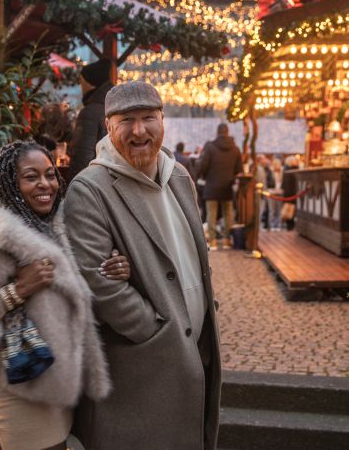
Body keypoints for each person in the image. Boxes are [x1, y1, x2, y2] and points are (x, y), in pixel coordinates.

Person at [0, 140, 130, 450]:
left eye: (50, 174)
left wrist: (113, 270)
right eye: (31, 177)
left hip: (58, 380)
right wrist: (15, 292)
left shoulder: (58, 227)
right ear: (9, 182)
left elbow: (74, 289)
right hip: (15, 384)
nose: (45, 184)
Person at [65, 81, 221, 450]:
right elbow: (98, 283)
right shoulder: (90, 189)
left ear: (162, 120)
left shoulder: (180, 177)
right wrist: (155, 331)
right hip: (139, 366)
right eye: (126, 120)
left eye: (148, 118)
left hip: (196, 351)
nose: (139, 131)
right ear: (108, 126)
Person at [196, 123, 243, 248]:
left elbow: (203, 166)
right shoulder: (235, 149)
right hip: (228, 187)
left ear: (217, 132)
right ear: (228, 132)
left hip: (211, 186)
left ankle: (213, 241)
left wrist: (205, 176)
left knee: (211, 214)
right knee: (228, 213)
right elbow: (239, 169)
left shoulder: (210, 147)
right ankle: (227, 240)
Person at [69, 59, 112, 179]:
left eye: (81, 81)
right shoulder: (115, 107)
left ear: (90, 83)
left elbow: (81, 157)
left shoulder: (89, 113)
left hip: (92, 181)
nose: (81, 86)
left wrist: (73, 185)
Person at [281, 155, 300, 231]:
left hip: (292, 194)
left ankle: (291, 227)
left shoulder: (289, 170)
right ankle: (290, 227)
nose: (296, 161)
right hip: (291, 195)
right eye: (295, 160)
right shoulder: (289, 171)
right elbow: (287, 184)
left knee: (291, 212)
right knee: (289, 212)